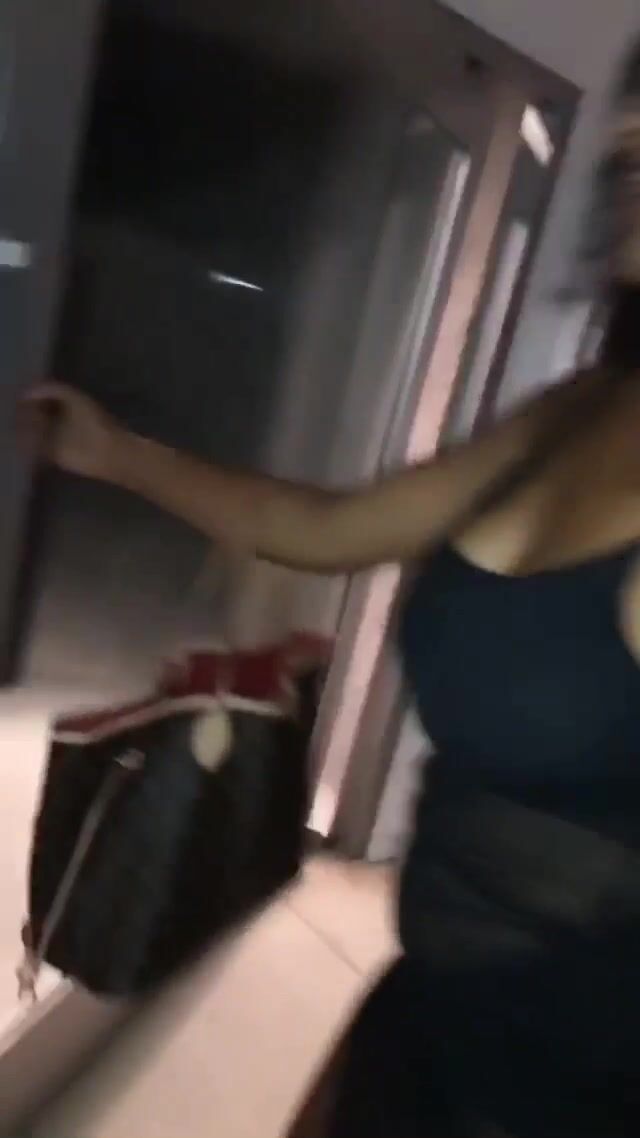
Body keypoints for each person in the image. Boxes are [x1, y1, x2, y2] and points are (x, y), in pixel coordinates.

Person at [26, 41, 640, 1138]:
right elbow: (322, 528)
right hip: (437, 997)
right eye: (635, 127)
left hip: (575, 1066)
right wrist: (117, 454)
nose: (632, 149)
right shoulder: (579, 411)